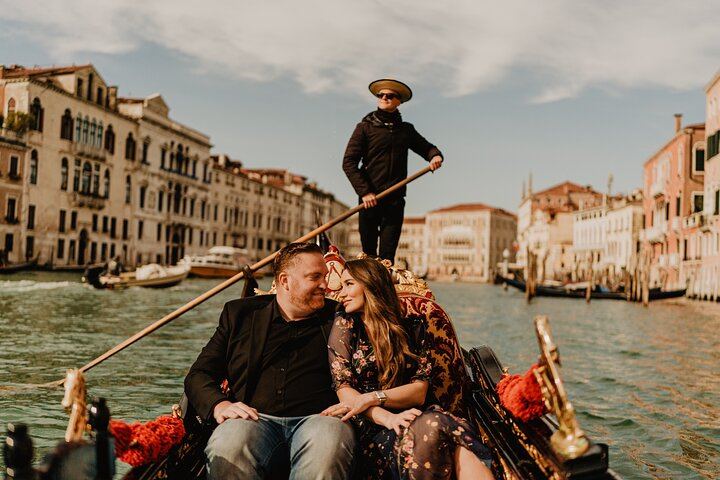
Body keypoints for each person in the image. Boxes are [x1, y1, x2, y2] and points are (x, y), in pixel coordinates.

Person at [184, 242, 356, 480]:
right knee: (228, 444)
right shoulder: (240, 315)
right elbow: (199, 375)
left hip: (320, 420)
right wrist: (220, 405)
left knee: (327, 443)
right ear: (285, 281)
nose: (325, 285)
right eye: (314, 277)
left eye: (324, 276)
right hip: (254, 420)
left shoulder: (341, 317)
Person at [321, 258, 493, 480]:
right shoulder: (345, 325)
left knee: (438, 431)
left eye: (349, 284)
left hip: (415, 414)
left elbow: (419, 392)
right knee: (444, 436)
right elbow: (345, 392)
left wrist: (372, 397)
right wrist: (388, 418)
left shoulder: (412, 326)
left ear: (371, 285)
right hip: (371, 425)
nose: (340, 293)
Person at [342, 78, 444, 265]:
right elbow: (348, 162)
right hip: (369, 200)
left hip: (395, 201)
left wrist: (435, 156)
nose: (384, 98)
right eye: (381, 95)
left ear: (399, 101)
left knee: (388, 256)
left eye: (390, 96)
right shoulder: (364, 128)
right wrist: (365, 192)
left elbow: (427, 148)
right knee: (369, 255)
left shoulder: (405, 130)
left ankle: (385, 288)